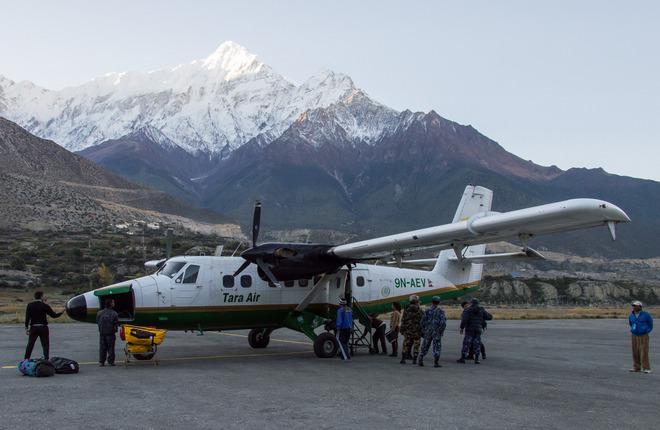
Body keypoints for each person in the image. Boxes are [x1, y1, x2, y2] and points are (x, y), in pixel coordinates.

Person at [24, 291, 64, 360]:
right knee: (45, 345)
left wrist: (26, 328)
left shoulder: (30, 305)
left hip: (33, 327)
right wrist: (61, 312)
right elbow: (54, 316)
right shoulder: (45, 306)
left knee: (30, 345)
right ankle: (46, 360)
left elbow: (27, 317)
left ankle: (26, 359)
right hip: (43, 328)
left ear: (34, 297)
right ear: (41, 297)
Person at [457, 298, 492, 364]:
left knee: (466, 344)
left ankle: (463, 358)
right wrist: (482, 318)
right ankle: (476, 359)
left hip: (470, 329)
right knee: (477, 344)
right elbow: (489, 317)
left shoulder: (468, 310)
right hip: (478, 329)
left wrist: (462, 328)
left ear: (471, 303)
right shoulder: (481, 309)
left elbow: (464, 320)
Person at [418, 296, 447, 368]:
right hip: (436, 332)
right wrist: (441, 330)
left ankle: (421, 358)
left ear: (432, 302)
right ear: (438, 302)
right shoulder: (441, 311)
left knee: (425, 345)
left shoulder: (427, 310)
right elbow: (443, 323)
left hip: (428, 331)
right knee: (437, 346)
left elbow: (422, 321)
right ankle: (436, 362)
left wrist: (423, 329)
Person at [629, 300, 653, 373]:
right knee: (635, 351)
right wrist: (634, 330)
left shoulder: (646, 315)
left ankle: (646, 368)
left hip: (643, 335)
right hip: (634, 335)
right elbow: (631, 324)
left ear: (640, 306)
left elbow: (650, 324)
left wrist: (646, 331)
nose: (633, 307)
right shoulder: (631, 315)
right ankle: (636, 367)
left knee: (644, 351)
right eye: (633, 306)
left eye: (635, 306)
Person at [400, 295, 423, 364]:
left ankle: (403, 359)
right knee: (416, 345)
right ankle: (414, 360)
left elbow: (403, 320)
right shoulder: (420, 310)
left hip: (408, 330)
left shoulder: (406, 309)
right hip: (417, 330)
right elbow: (422, 321)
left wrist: (402, 329)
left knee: (406, 344)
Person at [97, 299, 120, 366]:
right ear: (111, 304)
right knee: (111, 348)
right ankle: (111, 361)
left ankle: (102, 362)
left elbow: (97, 321)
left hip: (102, 333)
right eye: (113, 302)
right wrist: (115, 329)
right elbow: (116, 323)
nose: (114, 303)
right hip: (110, 334)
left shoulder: (99, 313)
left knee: (102, 348)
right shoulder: (114, 313)